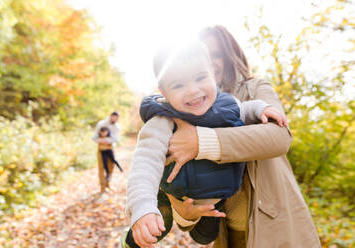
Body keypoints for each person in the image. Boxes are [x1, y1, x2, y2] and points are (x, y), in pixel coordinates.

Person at [165, 25, 321, 248]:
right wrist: (183, 212)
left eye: (215, 55)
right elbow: (178, 174)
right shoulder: (188, 109)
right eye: (202, 55)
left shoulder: (255, 88)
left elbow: (279, 137)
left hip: (275, 232)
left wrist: (202, 142)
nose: (208, 62)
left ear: (230, 56)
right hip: (227, 236)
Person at [120, 41, 287, 248]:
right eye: (178, 85)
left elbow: (243, 110)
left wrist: (261, 109)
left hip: (218, 196)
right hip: (179, 193)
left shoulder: (228, 104)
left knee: (207, 236)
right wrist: (142, 207)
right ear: (163, 92)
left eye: (200, 78)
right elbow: (145, 163)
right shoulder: (162, 121)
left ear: (213, 75)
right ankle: (131, 240)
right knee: (154, 225)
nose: (193, 90)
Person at [93, 111, 120, 191]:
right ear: (111, 116)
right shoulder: (101, 124)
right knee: (101, 167)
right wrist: (101, 140)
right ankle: (102, 187)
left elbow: (116, 138)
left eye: (117, 118)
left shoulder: (117, 127)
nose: (115, 119)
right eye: (114, 117)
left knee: (111, 166)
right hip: (101, 147)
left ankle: (107, 184)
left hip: (111, 147)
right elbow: (94, 136)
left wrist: (107, 140)